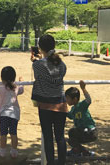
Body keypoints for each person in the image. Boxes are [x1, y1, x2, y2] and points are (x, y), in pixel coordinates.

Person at [31, 34, 68, 165]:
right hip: (61, 103)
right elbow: (54, 69)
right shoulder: (62, 64)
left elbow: (38, 74)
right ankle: (62, 162)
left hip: (45, 105)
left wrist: (36, 60)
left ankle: (50, 163)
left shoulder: (38, 65)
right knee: (60, 137)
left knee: (48, 138)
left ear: (40, 47)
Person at [65, 80, 98, 156]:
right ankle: (83, 152)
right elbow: (70, 116)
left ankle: (78, 151)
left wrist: (83, 89)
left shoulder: (81, 105)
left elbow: (88, 100)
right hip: (83, 132)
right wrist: (62, 109)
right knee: (71, 139)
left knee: (72, 133)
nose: (66, 100)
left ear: (75, 99)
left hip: (91, 132)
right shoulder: (73, 109)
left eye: (67, 98)